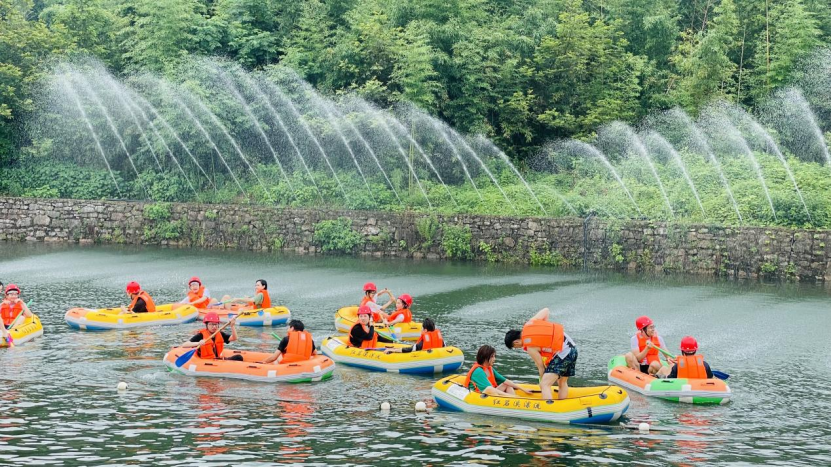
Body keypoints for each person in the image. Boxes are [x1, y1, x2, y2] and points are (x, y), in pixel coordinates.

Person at [504, 307, 577, 400]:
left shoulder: (530, 347)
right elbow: (546, 310)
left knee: (544, 384)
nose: (518, 348)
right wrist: (544, 326)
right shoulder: (531, 322)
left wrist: (542, 381)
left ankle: (548, 406)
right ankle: (561, 403)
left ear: (516, 342)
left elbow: (541, 367)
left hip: (563, 353)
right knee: (562, 382)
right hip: (573, 349)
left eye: (515, 347)